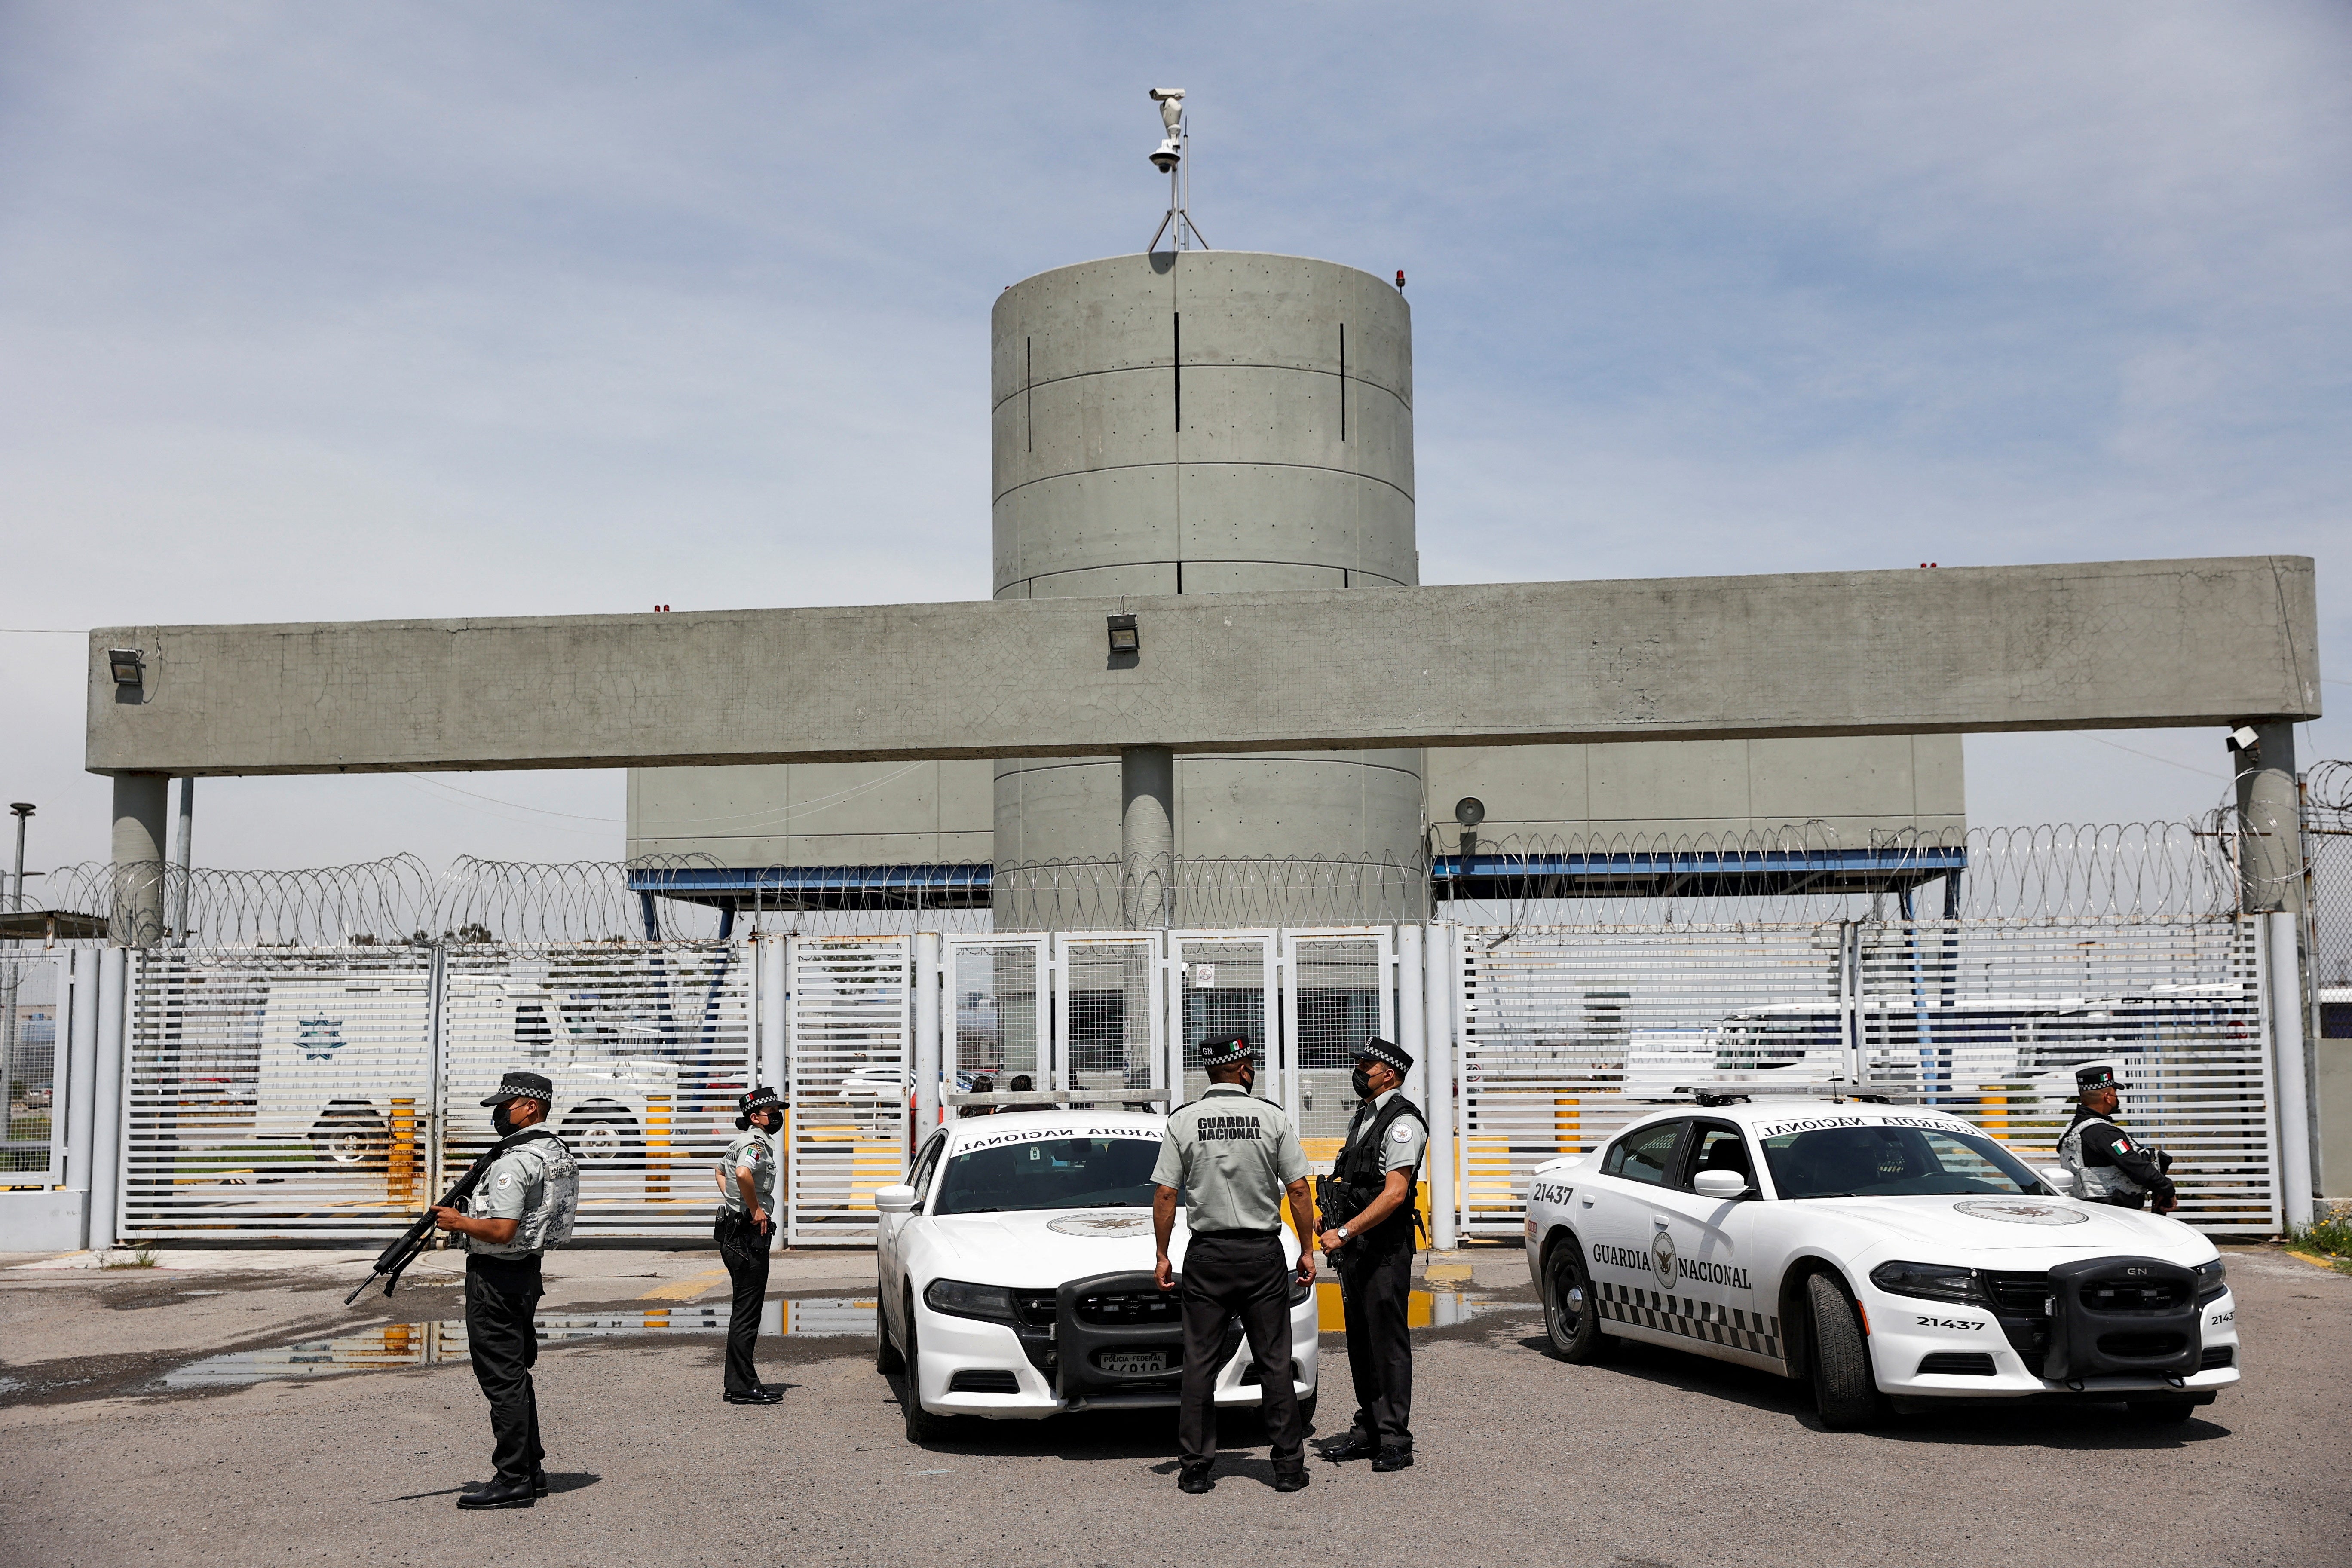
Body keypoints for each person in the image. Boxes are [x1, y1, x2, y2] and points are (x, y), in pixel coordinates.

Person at [1150, 1034, 1317, 1494]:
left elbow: (1166, 1193)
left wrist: (1163, 1254)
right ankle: (1287, 1467)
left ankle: (1197, 1469)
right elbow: (1299, 1190)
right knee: (1274, 1361)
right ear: (1244, 1070)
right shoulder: (1271, 1117)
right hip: (1261, 1254)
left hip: (1207, 1255)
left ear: (1210, 1072)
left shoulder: (1183, 1121)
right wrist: (1306, 1248)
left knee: (1200, 1362)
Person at [432, 1070, 579, 1510]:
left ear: (529, 1107)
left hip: (497, 1276)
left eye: (505, 1105)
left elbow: (500, 1229)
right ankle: (530, 1470)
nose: (499, 1113)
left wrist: (458, 1223)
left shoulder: (516, 1160)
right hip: (526, 1273)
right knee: (515, 1374)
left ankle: (512, 1478)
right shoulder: (554, 1150)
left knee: (502, 1380)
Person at [1317, 1036, 1427, 1473]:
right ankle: (1369, 1431)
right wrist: (1328, 1219)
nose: (1359, 1071)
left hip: (1383, 1248)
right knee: (1361, 1341)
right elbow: (1352, 1180)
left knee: (1388, 1342)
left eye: (1366, 1065)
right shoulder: (1364, 1116)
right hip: (1356, 1248)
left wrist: (1345, 1230)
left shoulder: (1402, 1123)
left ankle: (1397, 1438)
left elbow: (1396, 1193)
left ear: (1389, 1074)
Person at [715, 1085, 786, 1405]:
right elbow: (742, 1173)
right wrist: (754, 1209)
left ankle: (737, 1382)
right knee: (747, 1313)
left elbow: (720, 1172)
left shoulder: (740, 1142)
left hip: (734, 1230)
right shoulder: (755, 1143)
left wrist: (735, 1202)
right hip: (746, 1235)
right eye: (772, 1114)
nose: (777, 1118)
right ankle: (743, 1386)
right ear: (755, 1118)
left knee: (743, 1311)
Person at [2059, 1063, 2177, 1212]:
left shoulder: (2073, 1129)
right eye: (2116, 1094)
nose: (2117, 1099)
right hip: (2113, 1212)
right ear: (2108, 1097)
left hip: (2090, 1210)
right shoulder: (2103, 1132)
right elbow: (2135, 1166)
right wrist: (2168, 1189)